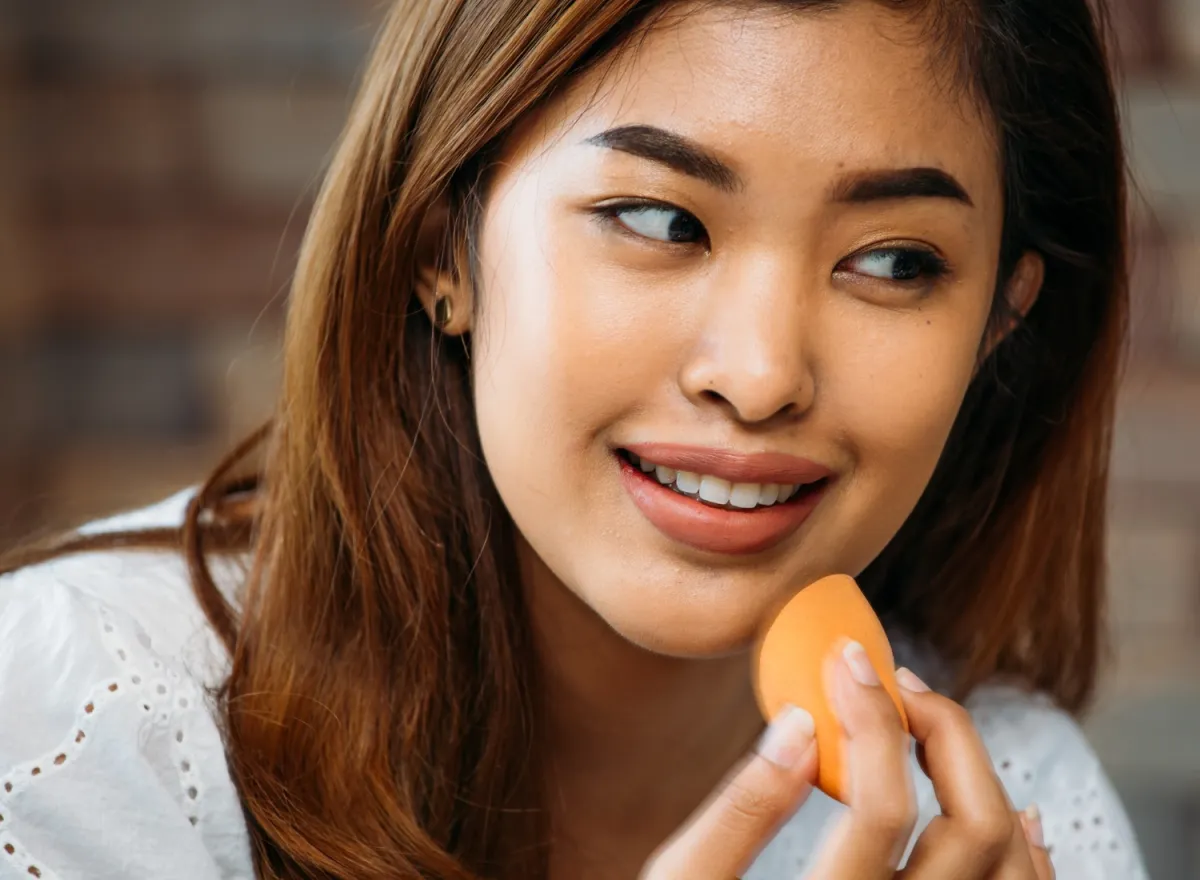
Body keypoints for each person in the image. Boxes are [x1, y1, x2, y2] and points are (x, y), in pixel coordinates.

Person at [0, 0, 1150, 877]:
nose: (757, 377)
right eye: (658, 220)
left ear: (1001, 319)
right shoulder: (90, 726)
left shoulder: (1007, 802)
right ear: (438, 247)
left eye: (895, 261)